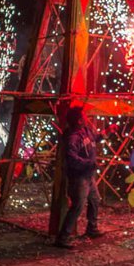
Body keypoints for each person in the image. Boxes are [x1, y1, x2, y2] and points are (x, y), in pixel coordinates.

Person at [54, 106, 104, 248]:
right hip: (79, 178)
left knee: (95, 200)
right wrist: (90, 163)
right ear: (79, 120)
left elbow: (95, 138)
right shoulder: (73, 138)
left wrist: (107, 133)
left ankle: (92, 228)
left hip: (88, 176)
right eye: (84, 116)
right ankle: (62, 237)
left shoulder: (86, 131)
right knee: (77, 206)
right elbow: (71, 158)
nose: (87, 117)